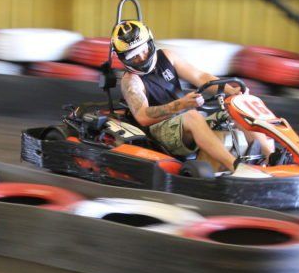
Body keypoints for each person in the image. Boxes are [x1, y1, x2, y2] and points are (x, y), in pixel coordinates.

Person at [111, 19, 271, 177]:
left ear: (150, 43)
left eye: (143, 50)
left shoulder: (166, 56)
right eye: (133, 56)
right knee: (192, 116)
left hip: (184, 120)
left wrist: (231, 90)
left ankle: (270, 157)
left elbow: (200, 76)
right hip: (158, 130)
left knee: (235, 107)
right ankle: (236, 167)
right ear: (124, 59)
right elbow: (143, 116)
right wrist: (181, 105)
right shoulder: (131, 81)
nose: (141, 58)